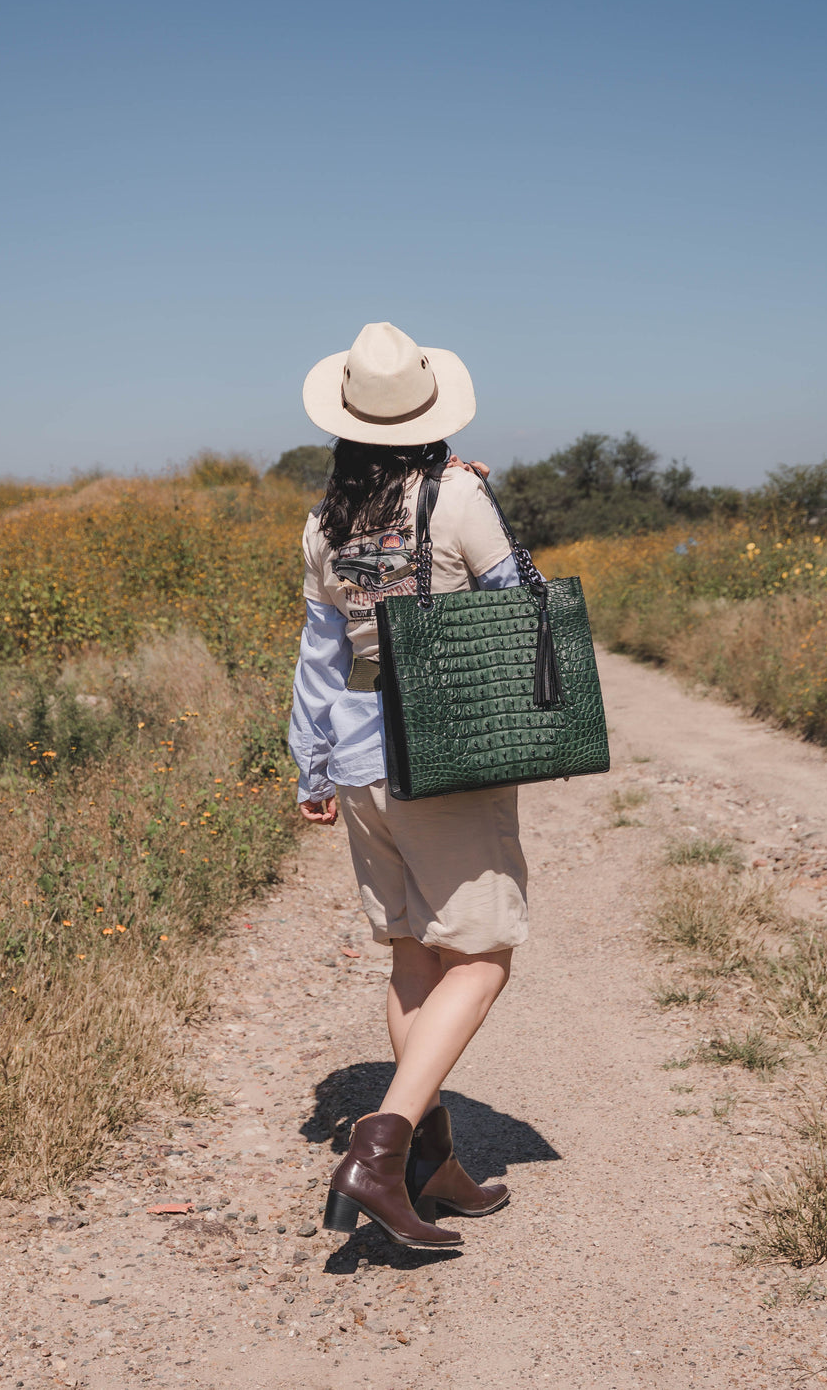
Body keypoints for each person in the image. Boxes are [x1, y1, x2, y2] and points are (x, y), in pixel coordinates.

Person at [288, 322, 529, 1249]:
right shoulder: (457, 496)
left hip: (356, 754)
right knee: (483, 955)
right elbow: (519, 610)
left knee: (412, 957)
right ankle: (380, 1151)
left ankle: (435, 1166)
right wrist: (479, 500)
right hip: (448, 752)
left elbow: (319, 654)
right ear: (431, 415)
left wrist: (311, 762)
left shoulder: (324, 522)